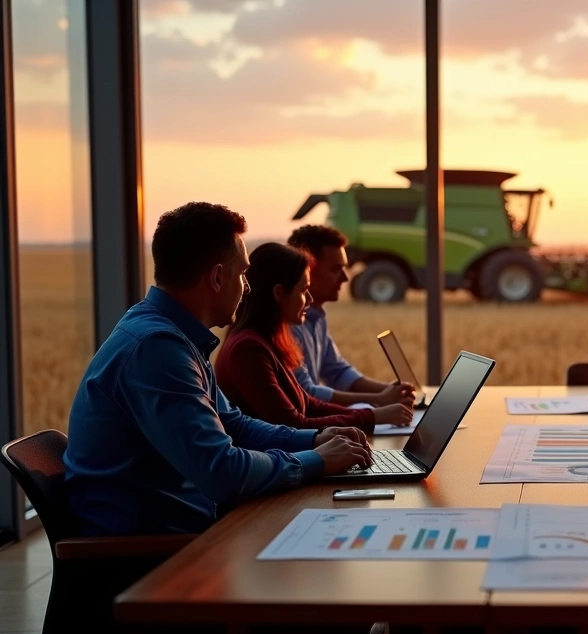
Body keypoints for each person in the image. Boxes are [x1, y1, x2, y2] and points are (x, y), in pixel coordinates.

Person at [63, 202, 373, 537]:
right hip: (150, 555)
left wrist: (314, 440)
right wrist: (318, 461)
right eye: (242, 274)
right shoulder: (157, 349)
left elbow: (234, 425)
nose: (247, 287)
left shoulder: (172, 335)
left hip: (181, 532)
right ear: (216, 277)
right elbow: (223, 472)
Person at [215, 242, 414, 433]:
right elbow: (292, 424)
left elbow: (308, 403)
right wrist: (373, 416)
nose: (309, 300)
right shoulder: (249, 350)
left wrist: (374, 412)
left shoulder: (270, 341)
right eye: (303, 291)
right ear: (278, 293)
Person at [287, 224, 411, 407]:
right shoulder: (288, 324)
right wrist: (377, 400)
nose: (345, 278)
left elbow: (337, 371)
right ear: (307, 271)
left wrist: (391, 393)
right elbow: (305, 392)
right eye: (335, 269)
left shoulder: (317, 316)